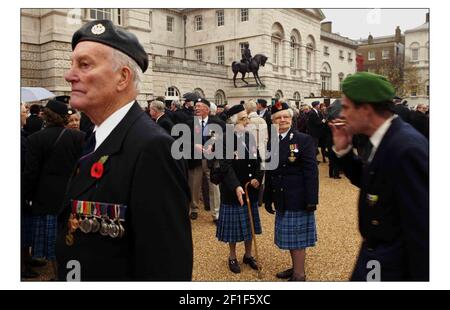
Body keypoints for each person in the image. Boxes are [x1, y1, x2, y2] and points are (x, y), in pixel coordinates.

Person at [55, 19, 193, 281]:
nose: (69, 75)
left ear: (122, 77)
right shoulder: (94, 137)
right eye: (72, 64)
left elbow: (166, 270)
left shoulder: (153, 147)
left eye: (84, 65)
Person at [330, 72, 429, 281]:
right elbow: (373, 184)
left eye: (347, 107)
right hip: (376, 258)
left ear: (365, 109)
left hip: (394, 266)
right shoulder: (386, 137)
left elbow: (423, 233)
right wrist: (344, 150)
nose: (342, 114)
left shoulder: (406, 148)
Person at [23, 99, 85, 279]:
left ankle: (57, 275)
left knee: (51, 245)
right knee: (70, 239)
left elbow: (30, 173)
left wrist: (26, 196)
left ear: (46, 116)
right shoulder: (79, 137)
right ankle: (69, 275)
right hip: (71, 195)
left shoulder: (35, 139)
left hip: (45, 198)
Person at [264, 101, 319, 281]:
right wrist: (267, 196)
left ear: (291, 118)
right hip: (281, 196)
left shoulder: (303, 139)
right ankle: (295, 267)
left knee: (298, 239)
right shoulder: (272, 141)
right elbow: (270, 171)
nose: (282, 120)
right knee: (290, 237)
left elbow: (311, 172)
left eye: (286, 116)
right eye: (278, 117)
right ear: (273, 121)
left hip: (298, 197)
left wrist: (312, 199)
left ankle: (299, 275)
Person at [216, 104, 263, 273]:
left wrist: (258, 177)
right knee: (234, 229)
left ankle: (248, 255)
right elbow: (225, 167)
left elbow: (258, 160)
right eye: (244, 119)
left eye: (247, 118)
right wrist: (236, 186)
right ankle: (232, 256)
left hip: (250, 188)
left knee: (250, 225)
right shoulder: (225, 139)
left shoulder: (249, 137)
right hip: (232, 189)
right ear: (233, 122)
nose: (247, 121)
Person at [186, 98, 225, 222]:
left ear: (207, 109)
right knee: (193, 186)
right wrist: (194, 145)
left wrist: (213, 146)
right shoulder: (189, 122)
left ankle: (216, 214)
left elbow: (225, 138)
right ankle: (193, 209)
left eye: (199, 106)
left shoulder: (218, 123)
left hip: (211, 160)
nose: (196, 108)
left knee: (214, 187)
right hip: (195, 159)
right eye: (195, 106)